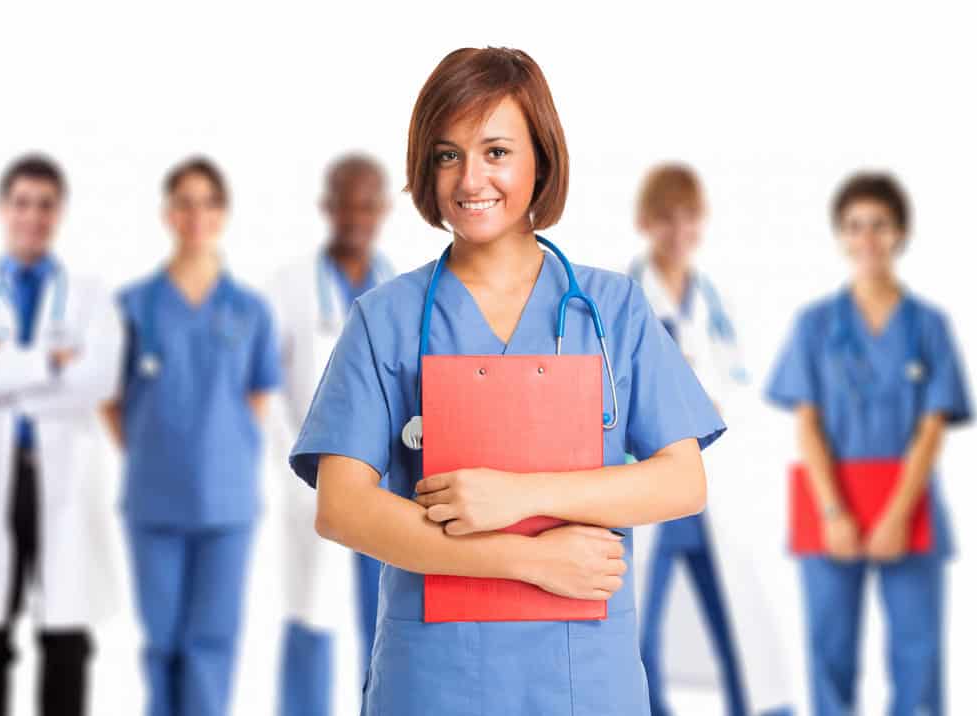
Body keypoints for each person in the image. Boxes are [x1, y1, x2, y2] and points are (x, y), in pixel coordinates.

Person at [288, 47, 725, 715]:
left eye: (496, 152)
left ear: (540, 160)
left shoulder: (613, 310)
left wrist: (519, 496)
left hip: (584, 681)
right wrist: (528, 560)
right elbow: (342, 507)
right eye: (446, 154)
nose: (470, 180)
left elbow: (682, 480)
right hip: (434, 680)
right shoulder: (386, 319)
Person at [766, 172, 971, 715]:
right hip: (832, 499)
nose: (868, 238)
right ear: (842, 235)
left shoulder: (929, 326)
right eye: (855, 226)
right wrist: (833, 511)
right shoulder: (814, 326)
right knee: (829, 653)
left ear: (900, 232)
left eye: (880, 225)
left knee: (918, 656)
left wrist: (898, 514)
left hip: (907, 501)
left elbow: (932, 429)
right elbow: (806, 424)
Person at [102, 157, 282, 716]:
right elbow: (111, 398)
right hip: (154, 501)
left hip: (226, 505)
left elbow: (257, 398)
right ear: (167, 214)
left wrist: (213, 452)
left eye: (207, 201)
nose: (195, 213)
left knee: (213, 642)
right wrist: (158, 448)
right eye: (184, 201)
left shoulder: (249, 309)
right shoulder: (134, 306)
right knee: (162, 642)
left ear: (222, 214)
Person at [629, 164, 792, 716]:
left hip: (706, 493)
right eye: (667, 218)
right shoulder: (626, 300)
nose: (679, 231)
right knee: (639, 627)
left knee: (735, 623)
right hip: (650, 486)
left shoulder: (711, 303)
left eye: (689, 218)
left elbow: (732, 386)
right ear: (645, 222)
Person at [0, 154, 124, 716]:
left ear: (57, 213)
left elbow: (98, 380)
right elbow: (65, 378)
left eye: (44, 205)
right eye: (21, 203)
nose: (32, 216)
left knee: (66, 633)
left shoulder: (89, 296)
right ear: (2, 209)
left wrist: (4, 370)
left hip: (61, 477)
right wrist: (48, 362)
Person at [266, 153, 394, 716]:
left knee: (388, 619)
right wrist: (295, 471)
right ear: (327, 206)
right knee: (310, 611)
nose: (355, 214)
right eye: (345, 200)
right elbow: (264, 391)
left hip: (386, 485)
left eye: (367, 202)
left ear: (384, 209)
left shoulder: (406, 290)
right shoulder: (288, 289)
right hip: (311, 483)